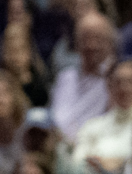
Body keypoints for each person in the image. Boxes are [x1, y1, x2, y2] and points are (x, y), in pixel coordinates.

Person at [49, 13, 117, 141]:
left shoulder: (113, 82)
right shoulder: (65, 77)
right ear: (77, 42)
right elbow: (54, 118)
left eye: (98, 38)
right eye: (86, 38)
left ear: (109, 44)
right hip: (60, 148)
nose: (91, 45)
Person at [75, 59, 132, 174]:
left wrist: (109, 163)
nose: (124, 88)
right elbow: (78, 161)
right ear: (110, 86)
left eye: (129, 82)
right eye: (118, 82)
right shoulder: (92, 126)